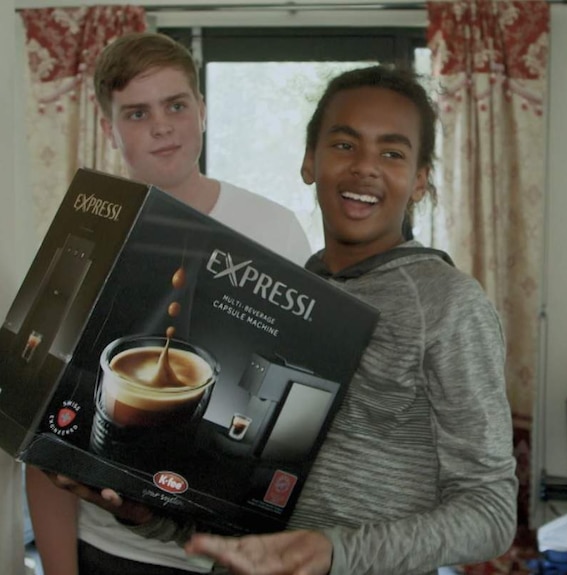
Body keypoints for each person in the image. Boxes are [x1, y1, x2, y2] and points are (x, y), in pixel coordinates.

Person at [40, 63, 517, 575]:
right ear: (310, 161)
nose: (365, 167)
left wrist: (335, 553)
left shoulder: (448, 305)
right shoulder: (292, 292)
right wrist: (142, 513)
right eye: (344, 144)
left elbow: (490, 512)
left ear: (421, 180)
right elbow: (243, 517)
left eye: (393, 153)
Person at [26, 31, 312, 575]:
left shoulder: (277, 231)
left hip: (233, 557)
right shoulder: (84, 238)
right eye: (136, 114)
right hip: (108, 554)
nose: (161, 125)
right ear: (110, 129)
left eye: (175, 105)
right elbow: (43, 436)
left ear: (201, 110)